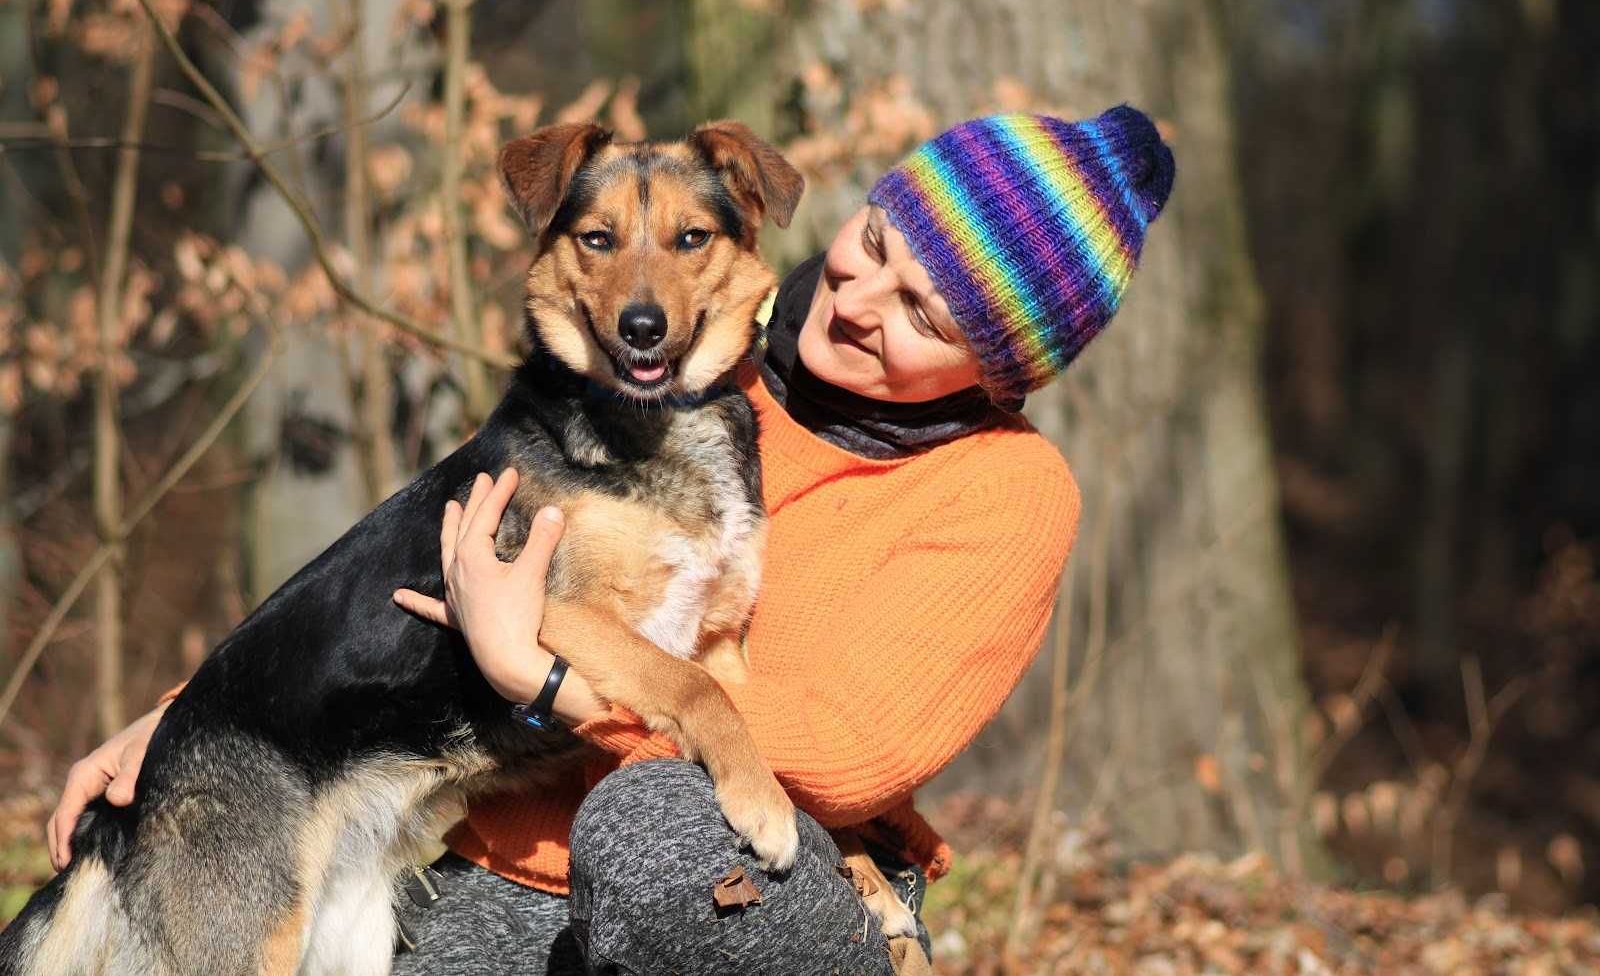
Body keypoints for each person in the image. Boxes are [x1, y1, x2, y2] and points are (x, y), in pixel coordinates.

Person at [46, 106, 1175, 975]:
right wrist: (200, 707)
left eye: (922, 310)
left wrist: (549, 680)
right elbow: (403, 544)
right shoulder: (681, 374)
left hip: (753, 879)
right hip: (494, 852)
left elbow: (846, 755)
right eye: (871, 240)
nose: (857, 296)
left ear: (1002, 368)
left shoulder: (1007, 492)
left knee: (658, 830)